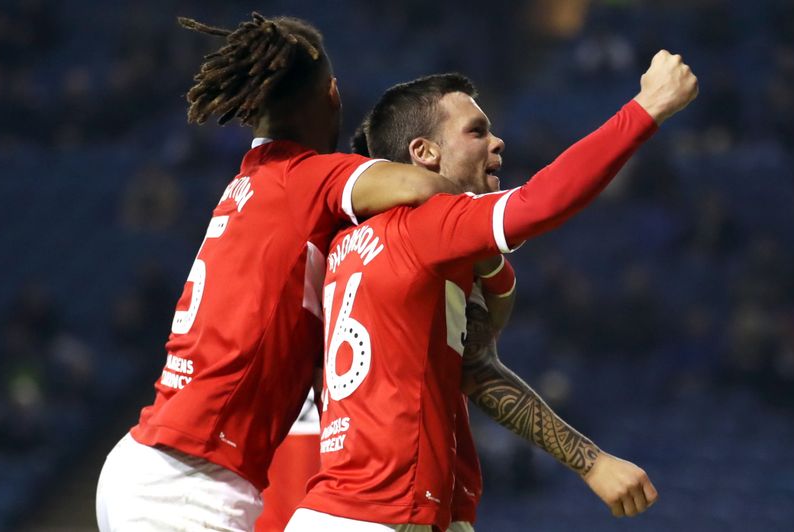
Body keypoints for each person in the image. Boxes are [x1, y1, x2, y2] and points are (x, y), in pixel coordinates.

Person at [286, 50, 698, 531]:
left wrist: (592, 462)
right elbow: (538, 203)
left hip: (354, 509)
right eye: (476, 131)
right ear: (424, 153)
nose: (497, 142)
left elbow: (477, 369)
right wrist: (648, 106)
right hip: (383, 515)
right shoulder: (428, 225)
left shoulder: (349, 243)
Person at [95, 13, 466, 531]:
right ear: (332, 94)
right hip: (191, 483)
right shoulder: (306, 178)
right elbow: (425, 189)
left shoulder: (244, 187)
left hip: (150, 463)